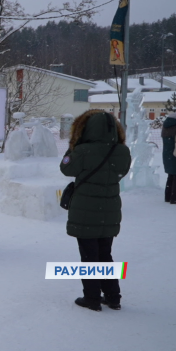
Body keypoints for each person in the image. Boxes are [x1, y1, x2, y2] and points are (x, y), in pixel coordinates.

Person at [60, 110, 131, 311]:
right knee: (105, 254)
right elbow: (122, 171)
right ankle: (113, 296)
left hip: (85, 211)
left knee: (89, 256)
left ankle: (91, 298)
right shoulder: (122, 151)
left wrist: (72, 147)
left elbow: (66, 169)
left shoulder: (83, 151)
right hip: (110, 210)